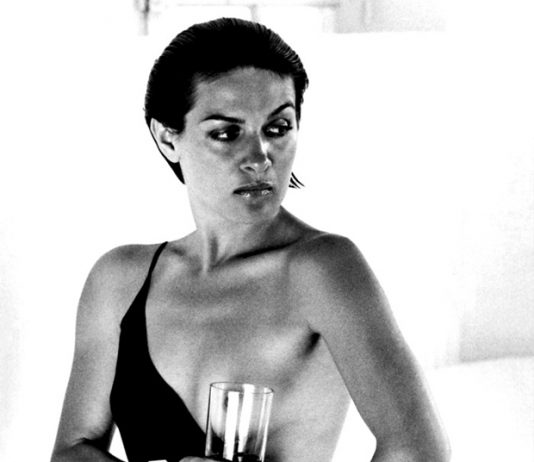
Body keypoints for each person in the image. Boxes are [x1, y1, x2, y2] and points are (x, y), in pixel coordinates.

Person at [51, 17, 450, 462]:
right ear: (167, 138)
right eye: (227, 133)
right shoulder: (118, 281)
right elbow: (70, 451)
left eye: (278, 128)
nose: (260, 158)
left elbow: (420, 451)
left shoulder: (322, 268)